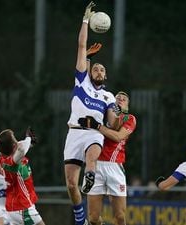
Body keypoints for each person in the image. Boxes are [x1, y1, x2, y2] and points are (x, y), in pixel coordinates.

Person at [63, 2, 119, 225]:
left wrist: (118, 115)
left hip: (93, 132)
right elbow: (81, 46)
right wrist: (85, 20)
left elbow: (113, 125)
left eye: (102, 70)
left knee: (93, 152)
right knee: (69, 183)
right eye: (95, 68)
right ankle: (79, 217)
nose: (98, 70)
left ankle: (91, 174)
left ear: (105, 77)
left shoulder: (109, 97)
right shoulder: (81, 82)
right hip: (74, 132)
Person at [78, 91, 137, 225]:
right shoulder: (101, 115)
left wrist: (97, 126)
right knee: (93, 218)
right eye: (118, 98)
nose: (120, 99)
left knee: (120, 217)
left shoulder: (130, 119)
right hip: (95, 166)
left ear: (127, 107)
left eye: (124, 99)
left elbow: (117, 137)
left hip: (115, 167)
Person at [0, 128, 45, 225]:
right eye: (15, 139)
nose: (17, 141)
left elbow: (20, 148)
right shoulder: (12, 161)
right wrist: (28, 138)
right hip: (22, 207)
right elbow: (22, 149)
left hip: (16, 207)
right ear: (14, 146)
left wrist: (30, 143)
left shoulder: (5, 157)